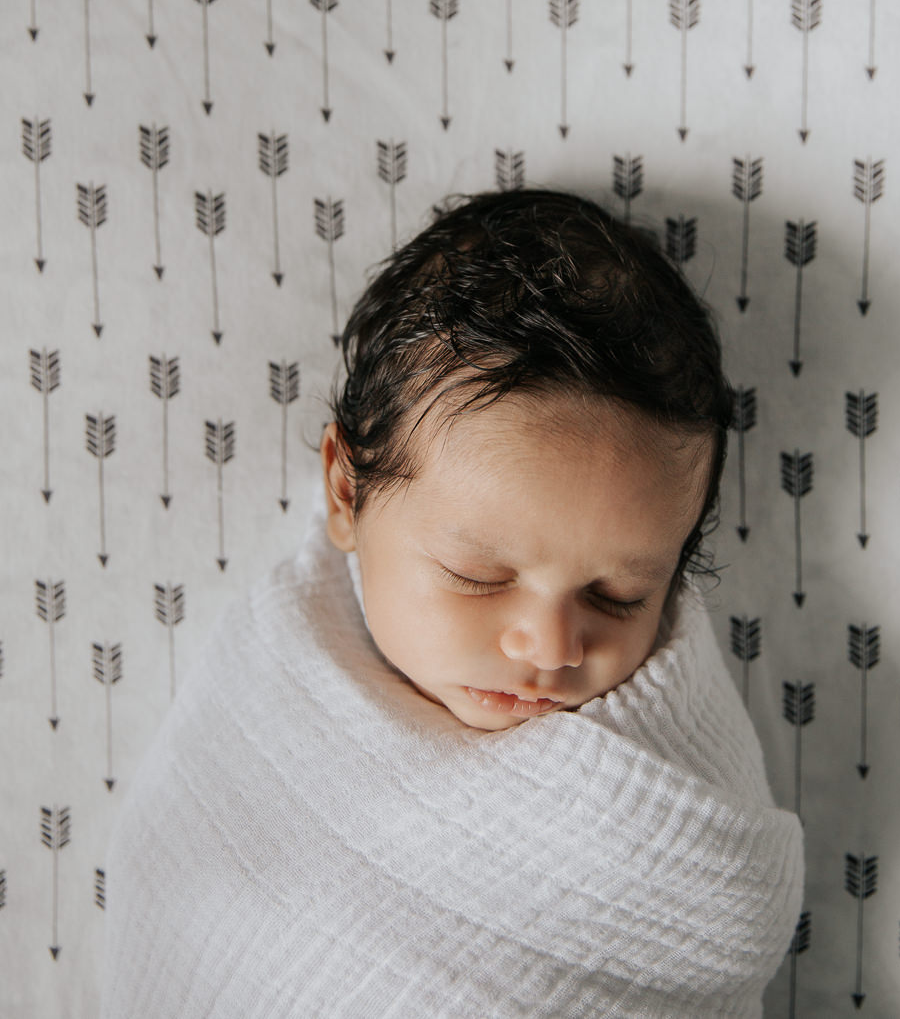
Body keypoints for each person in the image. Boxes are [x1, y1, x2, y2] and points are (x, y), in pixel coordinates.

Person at [101, 187, 803, 1019]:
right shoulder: (276, 681)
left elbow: (721, 905)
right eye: (478, 575)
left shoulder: (676, 757)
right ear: (345, 491)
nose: (550, 645)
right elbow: (195, 900)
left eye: (618, 596)